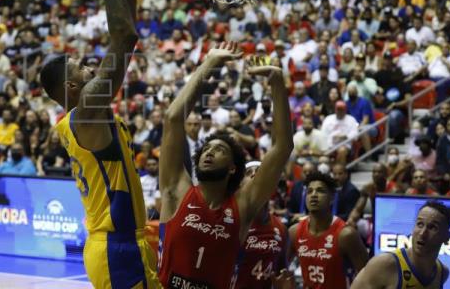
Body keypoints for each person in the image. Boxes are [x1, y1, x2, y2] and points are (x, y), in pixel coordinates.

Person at [39, 0, 159, 288]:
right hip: (115, 249)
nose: (92, 67)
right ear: (72, 88)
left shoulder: (84, 115)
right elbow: (124, 40)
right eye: (83, 68)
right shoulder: (86, 112)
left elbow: (127, 38)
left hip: (125, 244)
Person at [158, 44, 293, 288]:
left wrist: (277, 83)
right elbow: (173, 118)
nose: (209, 152)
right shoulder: (177, 191)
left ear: (232, 167)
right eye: (206, 149)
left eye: (219, 150)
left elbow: (282, 147)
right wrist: (209, 63)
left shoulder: (242, 204)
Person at [288, 172, 369, 289]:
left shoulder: (346, 235)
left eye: (320, 191)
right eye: (309, 191)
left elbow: (368, 276)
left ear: (331, 198)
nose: (314, 195)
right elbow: (281, 269)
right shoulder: (294, 232)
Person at [351, 200, 450, 289]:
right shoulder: (385, 264)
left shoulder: (442, 273)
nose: (422, 233)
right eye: (420, 224)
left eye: (433, 228)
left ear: (447, 237)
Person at [232, 161, 288, 289]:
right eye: (248, 173)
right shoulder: (228, 219)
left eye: (259, 171)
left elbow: (282, 275)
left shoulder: (281, 229)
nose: (255, 175)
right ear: (239, 184)